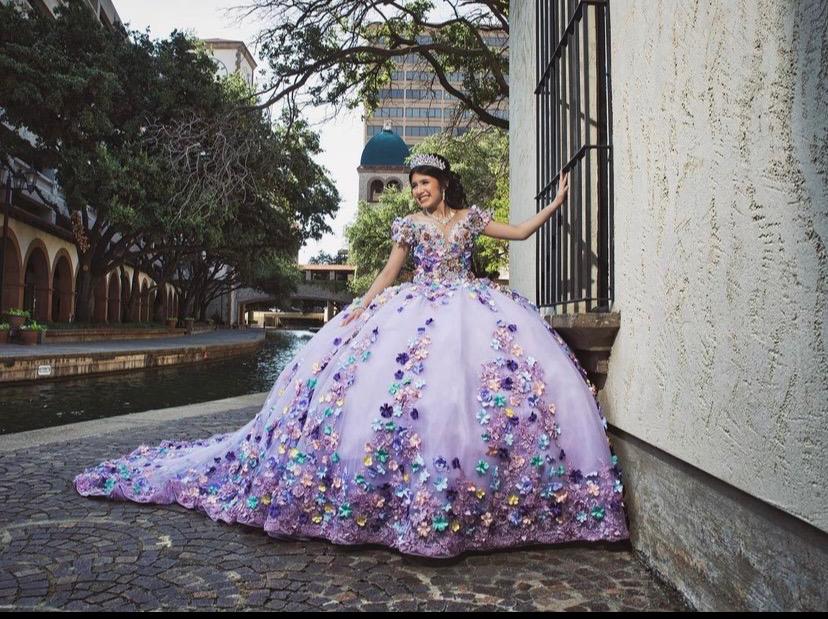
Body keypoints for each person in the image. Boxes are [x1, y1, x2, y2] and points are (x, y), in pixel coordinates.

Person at [73, 153, 630, 559]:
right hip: (417, 307)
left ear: (442, 185)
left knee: (469, 397)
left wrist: (555, 205)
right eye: (413, 185)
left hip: (470, 305)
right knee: (408, 396)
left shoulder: (472, 218)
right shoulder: (409, 226)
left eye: (424, 184)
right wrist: (363, 308)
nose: (417, 192)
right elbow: (391, 271)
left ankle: (492, 497)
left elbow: (519, 232)